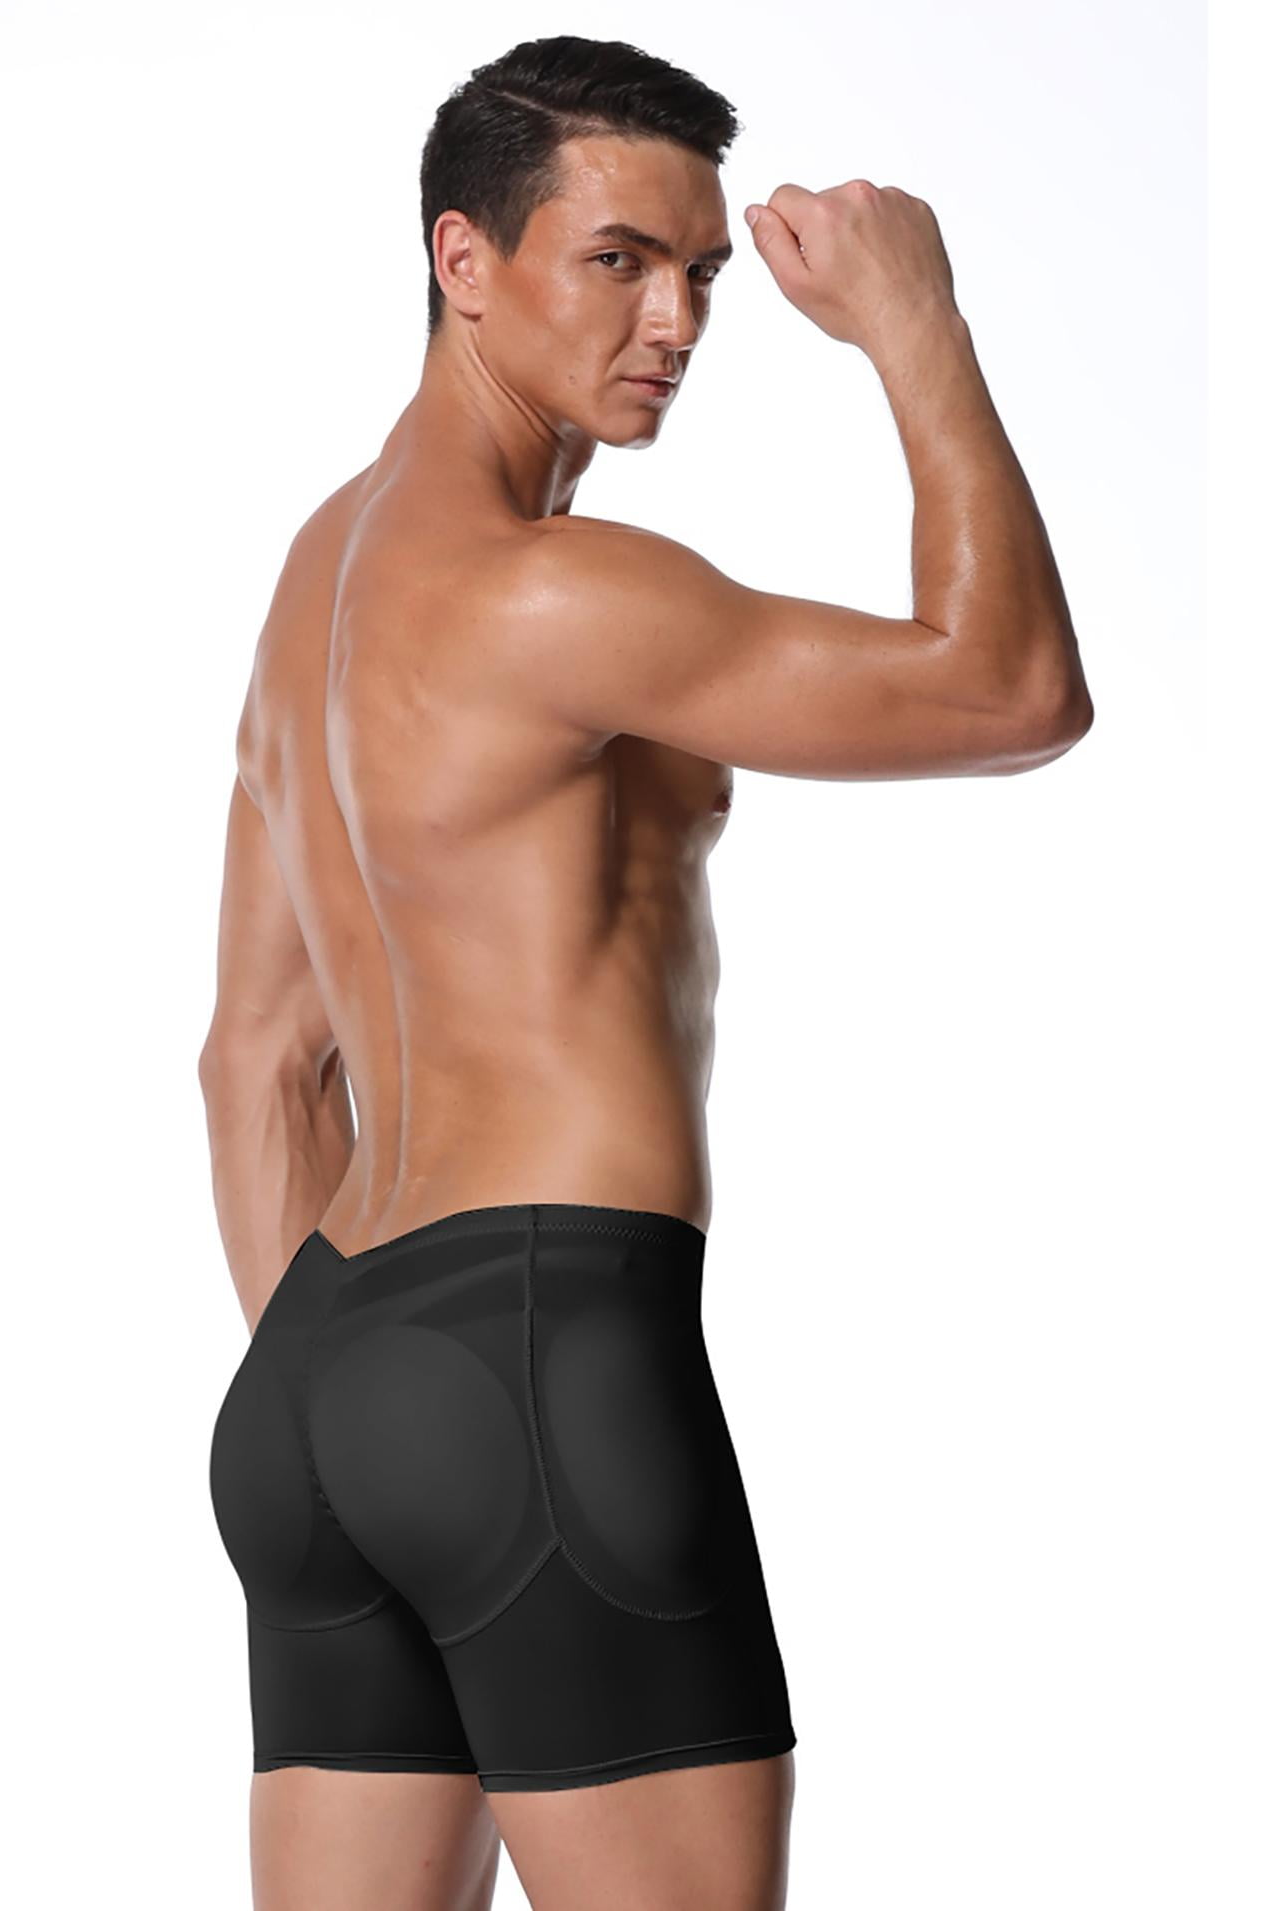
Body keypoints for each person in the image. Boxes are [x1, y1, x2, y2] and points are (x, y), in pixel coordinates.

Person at [198, 32, 1093, 1911]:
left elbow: (255, 1062)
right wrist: (915, 325)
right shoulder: (559, 597)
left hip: (320, 1388)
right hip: (545, 1345)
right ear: (463, 261)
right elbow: (1011, 689)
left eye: (699, 273)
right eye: (617, 261)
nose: (675, 320)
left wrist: (374, 1404)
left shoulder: (308, 590)